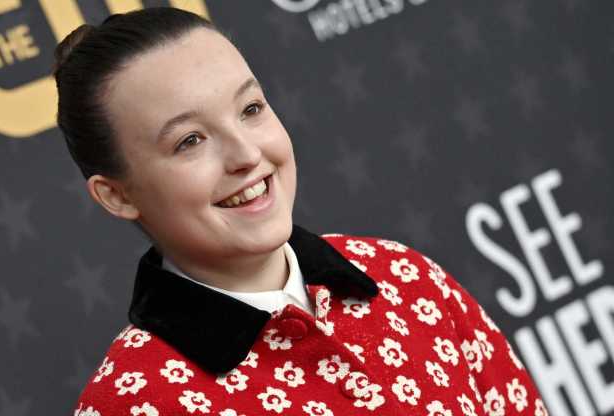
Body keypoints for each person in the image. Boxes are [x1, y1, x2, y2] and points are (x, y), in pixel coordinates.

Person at [53, 7, 548, 416]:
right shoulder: (131, 401)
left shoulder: (403, 277)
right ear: (117, 195)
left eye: (250, 109)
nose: (246, 154)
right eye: (190, 141)